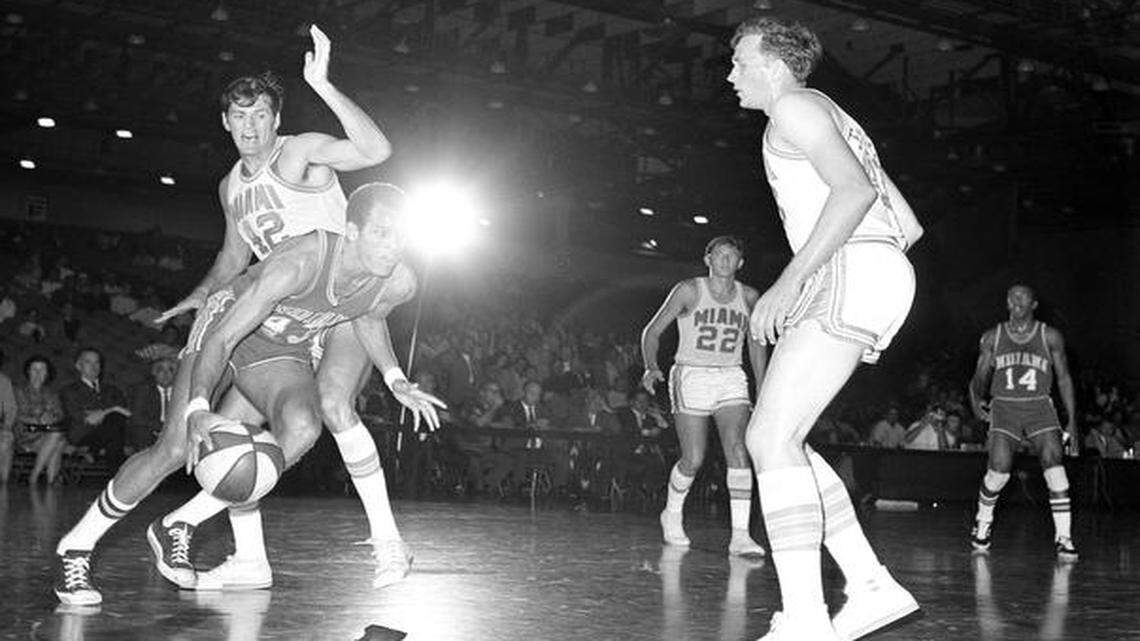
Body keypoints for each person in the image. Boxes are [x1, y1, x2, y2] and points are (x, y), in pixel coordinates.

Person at [54, 24, 400, 603]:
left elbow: (375, 152)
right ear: (225, 123)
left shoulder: (300, 154)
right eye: (239, 117)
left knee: (280, 433)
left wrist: (325, 85)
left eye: (260, 114)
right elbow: (233, 257)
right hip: (250, 314)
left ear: (275, 117)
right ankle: (77, 547)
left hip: (299, 319)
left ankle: (229, 549)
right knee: (175, 447)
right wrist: (199, 294)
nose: (250, 126)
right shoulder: (228, 186)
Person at [55, 183, 442, 606]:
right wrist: (200, 408)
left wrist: (394, 378)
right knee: (175, 448)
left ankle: (180, 523)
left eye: (399, 236)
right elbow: (223, 340)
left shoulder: (398, 280)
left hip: (278, 351)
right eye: (381, 234)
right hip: (227, 330)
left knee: (303, 427)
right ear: (351, 231)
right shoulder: (301, 262)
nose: (392, 247)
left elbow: (368, 318)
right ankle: (75, 546)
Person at [727, 17, 925, 640]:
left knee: (769, 440)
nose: (730, 74)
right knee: (786, 441)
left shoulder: (793, 107)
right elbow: (909, 223)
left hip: (850, 266)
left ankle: (807, 622)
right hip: (877, 269)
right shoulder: (833, 115)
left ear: (776, 64)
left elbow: (853, 192)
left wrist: (789, 282)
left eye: (740, 62)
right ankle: (868, 583)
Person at [641, 236, 768, 557]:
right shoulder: (689, 290)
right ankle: (671, 513)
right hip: (691, 373)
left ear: (740, 263)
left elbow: (756, 342)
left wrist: (763, 384)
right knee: (694, 458)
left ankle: (740, 536)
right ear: (708, 259)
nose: (726, 260)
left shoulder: (750, 296)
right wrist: (650, 366)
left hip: (731, 377)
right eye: (720, 254)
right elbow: (652, 331)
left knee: (738, 450)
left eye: (732, 255)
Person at [968, 284, 1078, 560]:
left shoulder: (1050, 335)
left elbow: (1064, 377)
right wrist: (975, 400)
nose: (1016, 300)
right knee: (999, 471)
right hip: (1004, 406)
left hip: (1039, 404)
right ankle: (983, 522)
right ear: (1006, 302)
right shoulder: (993, 336)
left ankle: (1064, 537)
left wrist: (1073, 420)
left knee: (1055, 465)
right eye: (1011, 296)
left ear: (1034, 304)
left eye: (1023, 296)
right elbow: (979, 376)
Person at [60, 348, 130, 467]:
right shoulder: (69, 391)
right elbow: (87, 419)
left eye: (97, 362)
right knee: (115, 423)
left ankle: (92, 450)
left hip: (110, 434)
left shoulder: (113, 390)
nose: (94, 366)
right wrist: (112, 409)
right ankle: (117, 480)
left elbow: (126, 414)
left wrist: (101, 413)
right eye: (88, 362)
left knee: (115, 425)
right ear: (78, 366)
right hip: (83, 435)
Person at [15, 356, 67, 485]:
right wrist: (38, 420)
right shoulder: (19, 390)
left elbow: (60, 414)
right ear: (28, 371)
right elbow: (16, 414)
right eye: (35, 369)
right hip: (25, 433)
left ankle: (45, 480)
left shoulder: (52, 393)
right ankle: (38, 477)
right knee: (58, 438)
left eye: (42, 370)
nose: (38, 373)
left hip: (47, 433)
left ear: (47, 373)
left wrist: (51, 418)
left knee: (58, 439)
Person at [126, 357, 177, 453]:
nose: (166, 374)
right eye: (161, 369)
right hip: (151, 432)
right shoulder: (144, 390)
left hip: (175, 434)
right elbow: (137, 417)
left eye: (170, 370)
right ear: (154, 372)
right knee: (141, 432)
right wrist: (161, 428)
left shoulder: (181, 392)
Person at [0, 350, 20, 484]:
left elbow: (11, 408)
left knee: (6, 439)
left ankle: (3, 484)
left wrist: (7, 426)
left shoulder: (3, 381)